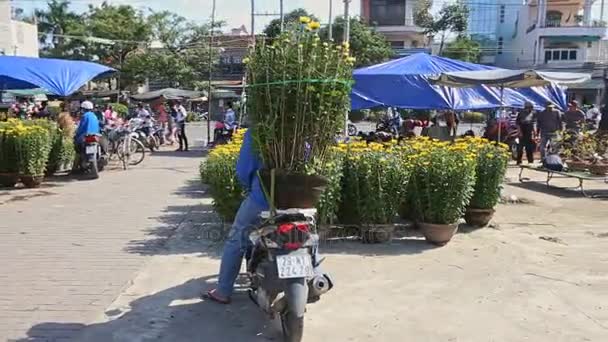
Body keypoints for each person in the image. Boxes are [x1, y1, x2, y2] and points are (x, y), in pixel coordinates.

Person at [203, 129, 268, 304]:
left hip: (263, 198)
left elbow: (244, 170)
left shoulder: (257, 132)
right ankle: (317, 273)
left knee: (237, 237)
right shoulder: (305, 128)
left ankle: (223, 291)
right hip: (301, 197)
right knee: (307, 234)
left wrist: (251, 187)